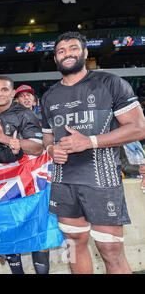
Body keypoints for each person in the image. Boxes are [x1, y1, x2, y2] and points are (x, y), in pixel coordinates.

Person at [41, 31, 145, 274]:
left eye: (73, 48)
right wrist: (50, 148)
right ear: (56, 58)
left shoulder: (110, 83)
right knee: (74, 246)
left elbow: (139, 128)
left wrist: (90, 141)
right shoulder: (49, 96)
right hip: (63, 182)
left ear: (85, 53)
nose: (68, 53)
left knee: (110, 251)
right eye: (61, 51)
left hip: (102, 182)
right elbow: (47, 136)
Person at [0, 75, 48, 274]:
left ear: (12, 93)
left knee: (35, 232)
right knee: (9, 232)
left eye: (4, 89)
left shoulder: (25, 114)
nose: (0, 93)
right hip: (3, 184)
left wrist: (5, 138)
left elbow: (37, 147)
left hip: (28, 183)